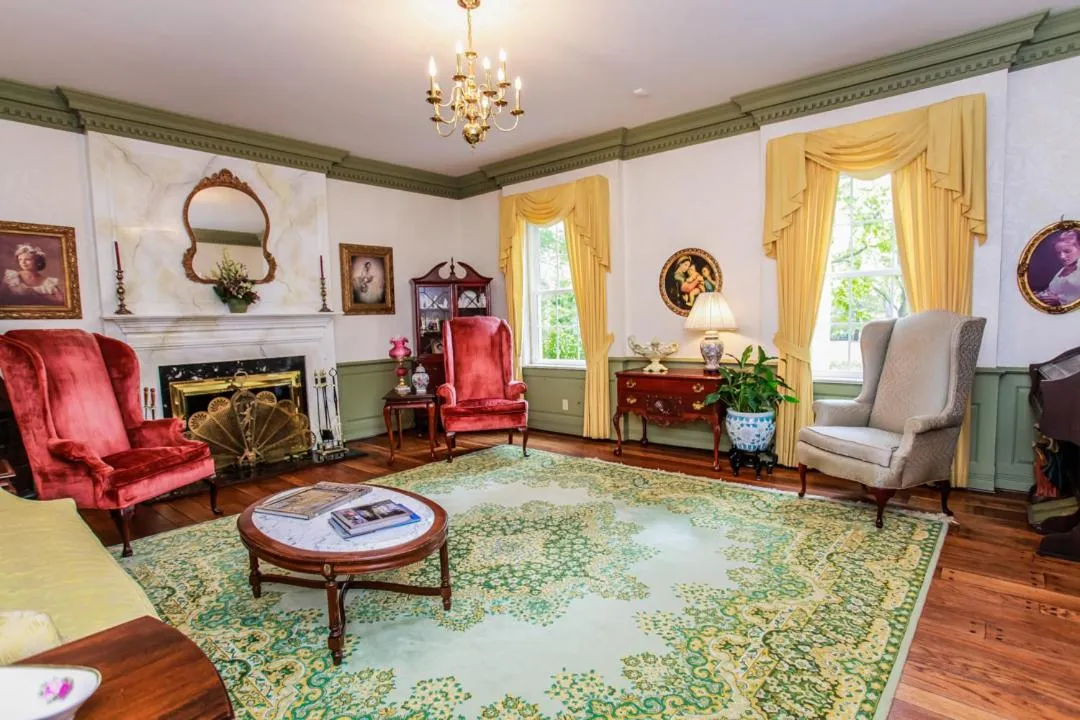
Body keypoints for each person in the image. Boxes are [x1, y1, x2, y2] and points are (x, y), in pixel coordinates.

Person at [1036, 229, 1080, 307]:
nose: (1062, 257)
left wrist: (1060, 300)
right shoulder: (1063, 270)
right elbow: (1053, 290)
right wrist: (1040, 295)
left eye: (1067, 251)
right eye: (1058, 253)